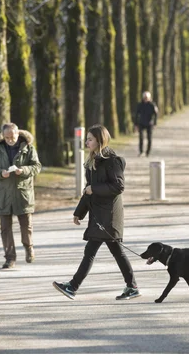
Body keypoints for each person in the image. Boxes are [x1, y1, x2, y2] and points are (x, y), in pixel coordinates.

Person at [53, 124, 141, 301]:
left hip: (109, 215)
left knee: (92, 251)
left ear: (100, 140)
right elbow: (88, 190)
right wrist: (79, 212)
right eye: (86, 138)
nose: (87, 142)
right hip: (97, 214)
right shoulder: (92, 162)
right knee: (115, 252)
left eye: (90, 139)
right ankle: (132, 287)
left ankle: (73, 286)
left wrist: (95, 188)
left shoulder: (112, 161)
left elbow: (118, 186)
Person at [0, 123, 42, 269]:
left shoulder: (28, 148)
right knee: (5, 229)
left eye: (13, 137)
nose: (10, 140)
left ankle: (29, 248)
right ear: (3, 136)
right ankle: (10, 258)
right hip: (3, 194)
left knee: (26, 226)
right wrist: (0, 173)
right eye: (7, 137)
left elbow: (37, 167)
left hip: (22, 193)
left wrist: (23, 170)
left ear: (18, 134)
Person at [134, 91, 158, 156]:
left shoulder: (152, 105)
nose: (145, 99)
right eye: (144, 97)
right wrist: (135, 124)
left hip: (149, 124)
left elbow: (156, 114)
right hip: (141, 123)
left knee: (149, 138)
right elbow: (136, 114)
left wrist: (155, 123)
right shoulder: (140, 105)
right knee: (141, 138)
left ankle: (148, 152)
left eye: (147, 97)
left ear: (149, 98)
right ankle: (141, 151)